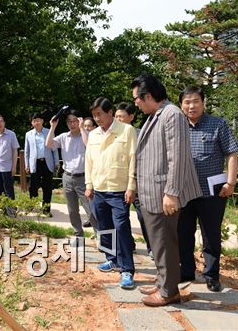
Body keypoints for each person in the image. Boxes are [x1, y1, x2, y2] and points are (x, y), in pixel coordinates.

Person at [131, 74, 201, 307]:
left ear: (148, 96)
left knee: (165, 242)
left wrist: (171, 193)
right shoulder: (155, 115)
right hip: (152, 192)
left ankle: (169, 291)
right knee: (158, 242)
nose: (136, 103)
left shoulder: (172, 114)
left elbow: (177, 156)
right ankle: (163, 282)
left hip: (163, 193)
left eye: (137, 99)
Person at [178, 86, 238, 292]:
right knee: (183, 233)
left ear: (203, 102)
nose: (191, 106)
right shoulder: (177, 126)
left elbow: (231, 153)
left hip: (212, 191)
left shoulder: (218, 124)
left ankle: (211, 275)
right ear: (181, 105)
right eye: (186, 102)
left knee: (211, 235)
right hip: (184, 191)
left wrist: (230, 182)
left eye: (195, 101)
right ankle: (186, 271)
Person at [85, 97, 138, 289]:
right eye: (94, 115)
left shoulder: (127, 131)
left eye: (99, 114)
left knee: (121, 228)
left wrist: (131, 186)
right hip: (99, 188)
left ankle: (127, 270)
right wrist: (89, 184)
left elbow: (134, 159)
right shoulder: (93, 135)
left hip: (119, 190)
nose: (97, 118)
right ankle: (111, 258)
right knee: (104, 226)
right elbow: (88, 161)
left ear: (110, 112)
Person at [46, 109, 96, 240]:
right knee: (72, 210)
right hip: (67, 177)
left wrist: (82, 128)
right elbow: (48, 144)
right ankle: (78, 235)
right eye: (69, 121)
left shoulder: (87, 135)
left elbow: (89, 145)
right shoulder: (63, 137)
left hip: (84, 178)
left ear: (79, 121)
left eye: (75, 121)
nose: (72, 124)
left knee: (91, 210)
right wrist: (52, 127)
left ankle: (100, 236)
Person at [115, 103, 152, 259]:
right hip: (118, 183)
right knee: (121, 218)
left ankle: (152, 248)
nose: (118, 119)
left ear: (131, 117)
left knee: (143, 216)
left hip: (138, 183)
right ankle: (129, 245)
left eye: (121, 116)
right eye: (116, 116)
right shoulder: (112, 135)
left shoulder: (140, 134)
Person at [24, 112, 59, 216]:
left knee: (47, 187)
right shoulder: (28, 134)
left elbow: (54, 149)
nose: (37, 122)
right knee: (33, 187)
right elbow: (27, 151)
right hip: (35, 163)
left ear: (43, 121)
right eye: (34, 121)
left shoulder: (49, 132)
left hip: (47, 163)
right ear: (32, 123)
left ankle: (46, 209)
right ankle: (31, 206)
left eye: (38, 120)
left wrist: (57, 163)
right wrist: (27, 165)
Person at [0, 114, 19, 217]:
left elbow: (15, 151)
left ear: (4, 122)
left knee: (9, 190)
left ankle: (11, 213)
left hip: (7, 167)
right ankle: (3, 212)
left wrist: (14, 167)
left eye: (1, 121)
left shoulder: (11, 134)